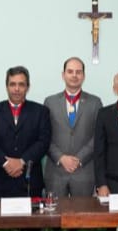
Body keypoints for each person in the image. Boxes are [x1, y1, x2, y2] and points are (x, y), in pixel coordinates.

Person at [0, 66, 51, 199]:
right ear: (6, 86)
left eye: (21, 84)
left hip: (30, 181)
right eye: (12, 84)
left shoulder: (41, 111)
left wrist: (22, 161)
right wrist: (6, 163)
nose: (17, 89)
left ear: (28, 87)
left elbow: (43, 142)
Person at [43, 57, 102, 197]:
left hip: (84, 171)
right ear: (63, 75)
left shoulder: (95, 102)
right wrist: (61, 157)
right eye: (70, 71)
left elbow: (98, 136)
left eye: (78, 72)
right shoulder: (50, 102)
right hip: (56, 171)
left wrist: (79, 159)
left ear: (84, 76)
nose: (74, 75)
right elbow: (44, 135)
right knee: (55, 211)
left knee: (83, 211)